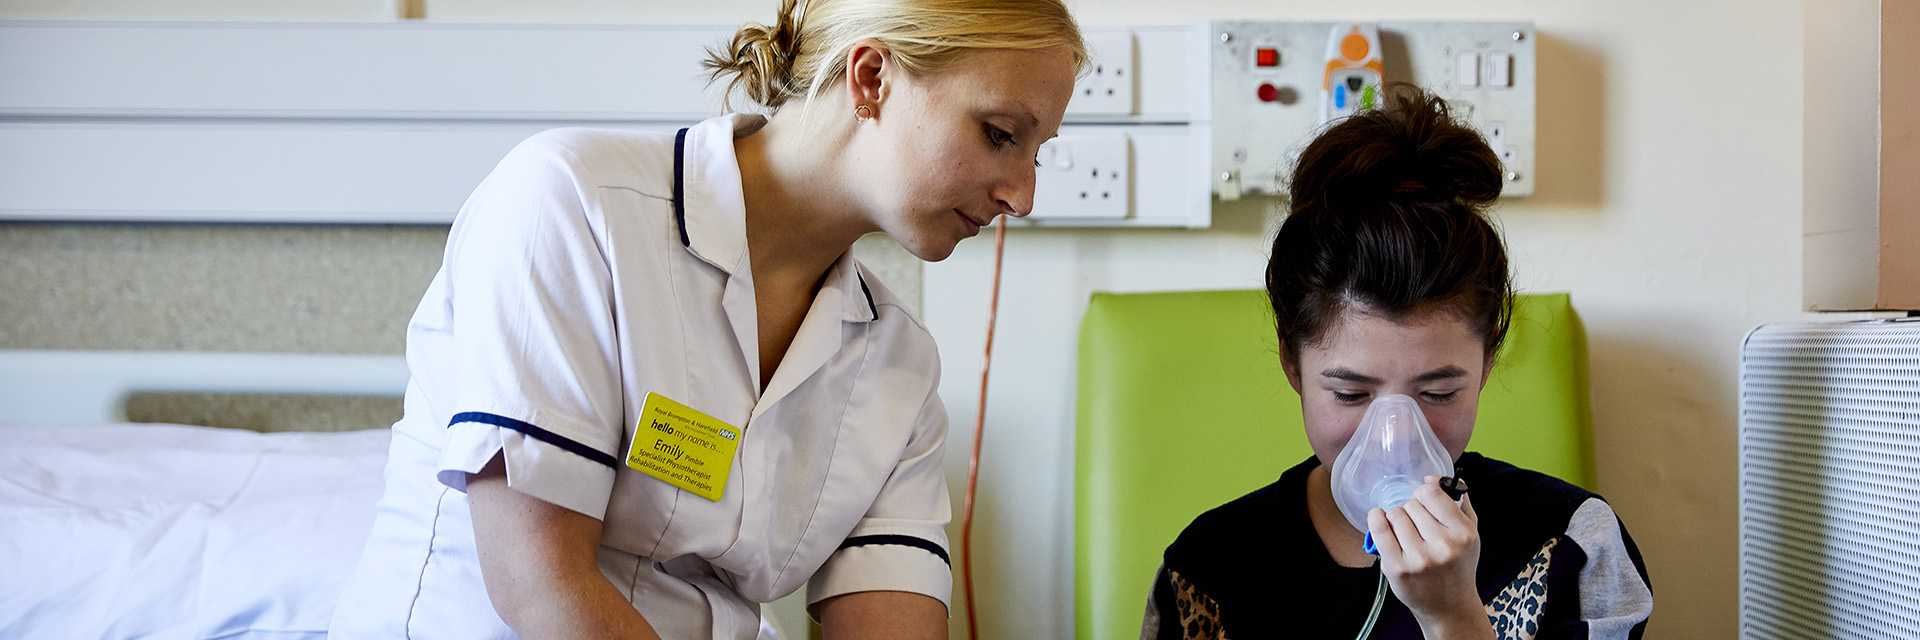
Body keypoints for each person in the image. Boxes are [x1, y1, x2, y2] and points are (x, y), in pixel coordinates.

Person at [329, 1, 1085, 638]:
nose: (1020, 196)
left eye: (1037, 154)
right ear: (872, 78)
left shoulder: (897, 368)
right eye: (999, 133)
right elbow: (541, 588)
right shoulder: (574, 204)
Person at [1140, 86, 1654, 640]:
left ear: (1487, 360)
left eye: (1437, 394)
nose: (1396, 439)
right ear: (1292, 362)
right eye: (1351, 394)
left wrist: (1453, 615)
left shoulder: (1571, 546)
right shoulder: (1209, 571)